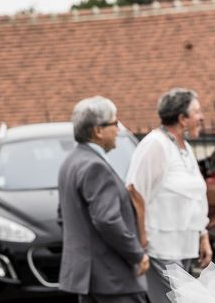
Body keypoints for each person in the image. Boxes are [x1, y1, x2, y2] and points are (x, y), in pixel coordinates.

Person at [58, 96, 149, 303]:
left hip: (87, 279)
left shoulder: (69, 162)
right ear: (98, 131)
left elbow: (63, 217)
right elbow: (107, 220)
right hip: (112, 280)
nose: (118, 129)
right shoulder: (94, 166)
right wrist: (137, 254)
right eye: (114, 123)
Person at [126, 88, 212, 303]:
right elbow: (135, 190)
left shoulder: (185, 148)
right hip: (160, 248)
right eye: (197, 112)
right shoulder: (155, 144)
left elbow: (196, 198)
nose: (201, 118)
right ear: (182, 118)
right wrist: (143, 240)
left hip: (183, 246)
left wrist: (203, 236)